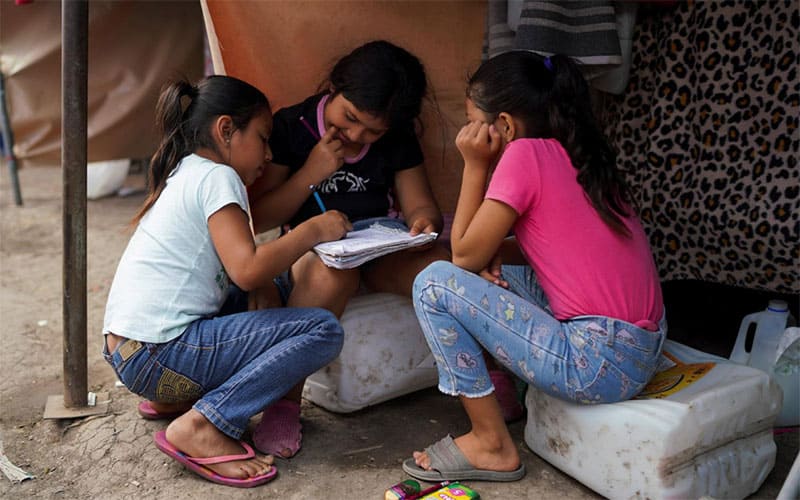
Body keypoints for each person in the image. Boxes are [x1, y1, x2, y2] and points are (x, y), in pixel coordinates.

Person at [403, 51, 666, 483]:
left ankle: (490, 442)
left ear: (504, 125)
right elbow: (560, 251)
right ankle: (508, 394)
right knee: (502, 275)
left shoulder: (523, 155)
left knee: (434, 284)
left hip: (596, 363)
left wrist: (475, 165)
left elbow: (462, 256)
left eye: (473, 121)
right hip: (640, 348)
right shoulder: (581, 153)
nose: (467, 133)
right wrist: (492, 254)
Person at [102, 75, 351, 487]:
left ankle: (177, 399)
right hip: (160, 354)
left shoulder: (186, 171)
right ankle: (204, 425)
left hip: (130, 354)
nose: (269, 155)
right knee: (322, 329)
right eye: (263, 138)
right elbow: (247, 268)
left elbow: (233, 271)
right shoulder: (219, 177)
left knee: (272, 292)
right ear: (225, 130)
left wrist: (260, 283)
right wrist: (312, 231)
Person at [246, 40, 450, 458]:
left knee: (443, 267)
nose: (356, 135)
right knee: (330, 273)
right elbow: (260, 216)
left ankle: (478, 374)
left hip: (378, 248)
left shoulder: (397, 138)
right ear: (335, 88)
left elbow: (420, 205)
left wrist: (423, 224)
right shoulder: (293, 126)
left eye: (373, 131)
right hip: (313, 253)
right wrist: (312, 171)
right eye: (350, 117)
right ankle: (285, 401)